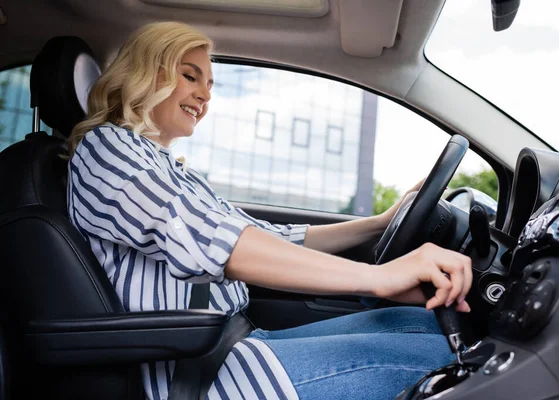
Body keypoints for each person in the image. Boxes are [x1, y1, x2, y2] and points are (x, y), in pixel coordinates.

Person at [67, 21, 473, 400]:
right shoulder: (106, 149)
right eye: (190, 76)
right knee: (441, 359)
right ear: (142, 73)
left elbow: (268, 237)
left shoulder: (167, 167)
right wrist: (378, 278)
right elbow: (211, 241)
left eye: (209, 83)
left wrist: (380, 223)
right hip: (195, 374)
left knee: (422, 325)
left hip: (233, 343)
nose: (205, 95)